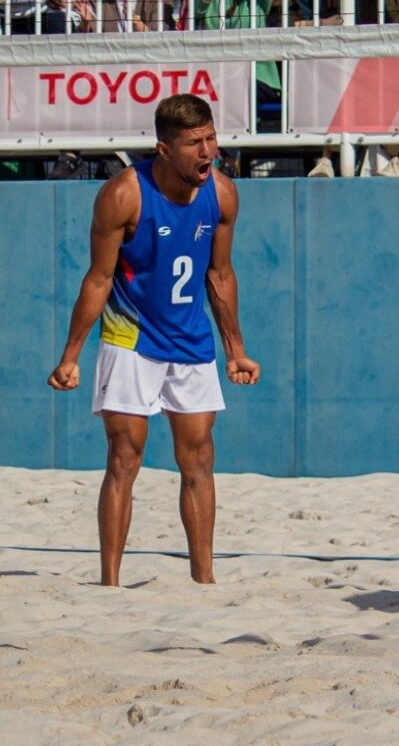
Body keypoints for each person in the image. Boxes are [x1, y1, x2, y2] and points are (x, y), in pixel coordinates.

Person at [47, 94, 261, 587]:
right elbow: (99, 279)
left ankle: (204, 582)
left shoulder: (222, 194)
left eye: (211, 139)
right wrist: (71, 356)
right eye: (194, 144)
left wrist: (235, 350)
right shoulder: (124, 194)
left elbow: (220, 274)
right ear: (165, 148)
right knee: (124, 456)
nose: (208, 152)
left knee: (199, 457)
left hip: (190, 341)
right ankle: (110, 585)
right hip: (129, 338)